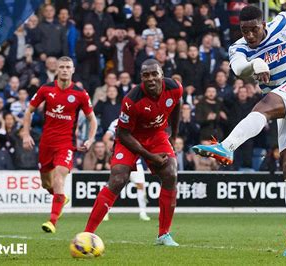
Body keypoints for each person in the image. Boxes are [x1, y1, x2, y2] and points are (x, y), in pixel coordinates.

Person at [192, 5, 286, 256]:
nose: (250, 35)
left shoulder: (283, 23)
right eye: (244, 30)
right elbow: (237, 69)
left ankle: (226, 146)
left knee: (264, 106)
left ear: (264, 24)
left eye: (254, 29)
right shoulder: (239, 48)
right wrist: (255, 63)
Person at [83, 59, 182, 246]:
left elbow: (176, 105)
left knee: (170, 173)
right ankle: (87, 234)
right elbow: (123, 133)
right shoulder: (132, 99)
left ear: (162, 74)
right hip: (129, 139)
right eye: (146, 75)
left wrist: (173, 135)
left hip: (157, 135)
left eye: (154, 74)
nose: (151, 79)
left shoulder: (175, 87)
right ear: (141, 78)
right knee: (118, 179)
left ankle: (163, 235)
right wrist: (148, 156)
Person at [22, 56, 98, 233]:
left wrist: (90, 139)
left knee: (59, 176)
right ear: (57, 69)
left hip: (66, 144)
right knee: (46, 183)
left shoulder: (80, 93)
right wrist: (26, 134)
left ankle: (52, 221)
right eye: (61, 67)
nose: (64, 70)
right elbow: (29, 111)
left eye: (68, 67)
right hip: (46, 143)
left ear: (73, 70)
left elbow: (92, 119)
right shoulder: (46, 89)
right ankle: (60, 197)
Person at [102, 119, 151, 221]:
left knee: (141, 185)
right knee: (113, 186)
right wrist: (112, 150)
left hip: (136, 161)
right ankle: (104, 212)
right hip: (121, 160)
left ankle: (143, 212)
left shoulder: (138, 122)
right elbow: (106, 138)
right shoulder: (116, 122)